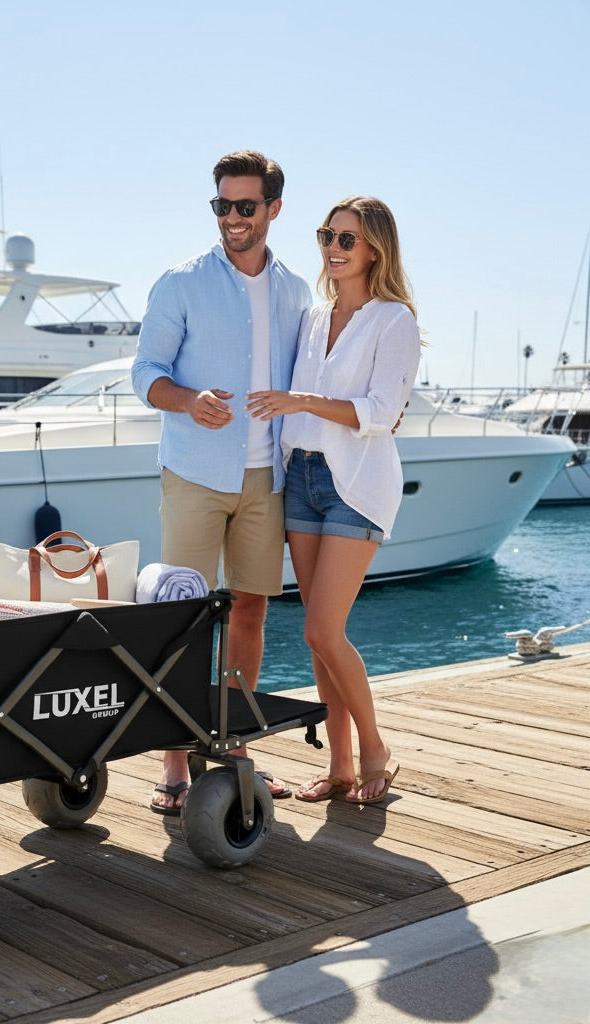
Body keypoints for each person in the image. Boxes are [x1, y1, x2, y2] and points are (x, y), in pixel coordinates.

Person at [131, 149, 312, 814]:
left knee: (253, 609)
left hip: (267, 475)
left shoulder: (296, 290)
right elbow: (145, 370)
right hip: (195, 472)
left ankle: (234, 746)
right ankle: (176, 758)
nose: (232, 218)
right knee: (182, 613)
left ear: (272, 210)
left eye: (244, 207)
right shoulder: (179, 283)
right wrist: (186, 400)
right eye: (222, 206)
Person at [245, 196, 421, 804]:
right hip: (302, 475)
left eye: (347, 239)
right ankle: (341, 766)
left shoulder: (394, 320)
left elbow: (381, 413)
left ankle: (375, 748)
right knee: (319, 636)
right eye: (327, 236)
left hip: (356, 484)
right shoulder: (314, 317)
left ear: (375, 248)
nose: (333, 249)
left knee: (323, 628)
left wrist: (303, 402)